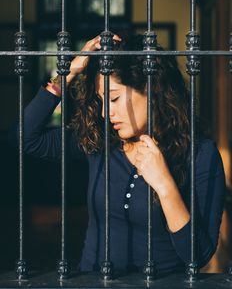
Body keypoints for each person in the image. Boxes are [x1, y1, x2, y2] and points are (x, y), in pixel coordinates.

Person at [9, 34, 225, 274]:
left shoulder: (200, 154)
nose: (105, 113)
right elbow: (24, 138)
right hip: (93, 281)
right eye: (102, 101)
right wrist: (68, 72)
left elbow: (198, 256)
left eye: (114, 98)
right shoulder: (101, 142)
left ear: (153, 89)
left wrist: (164, 185)